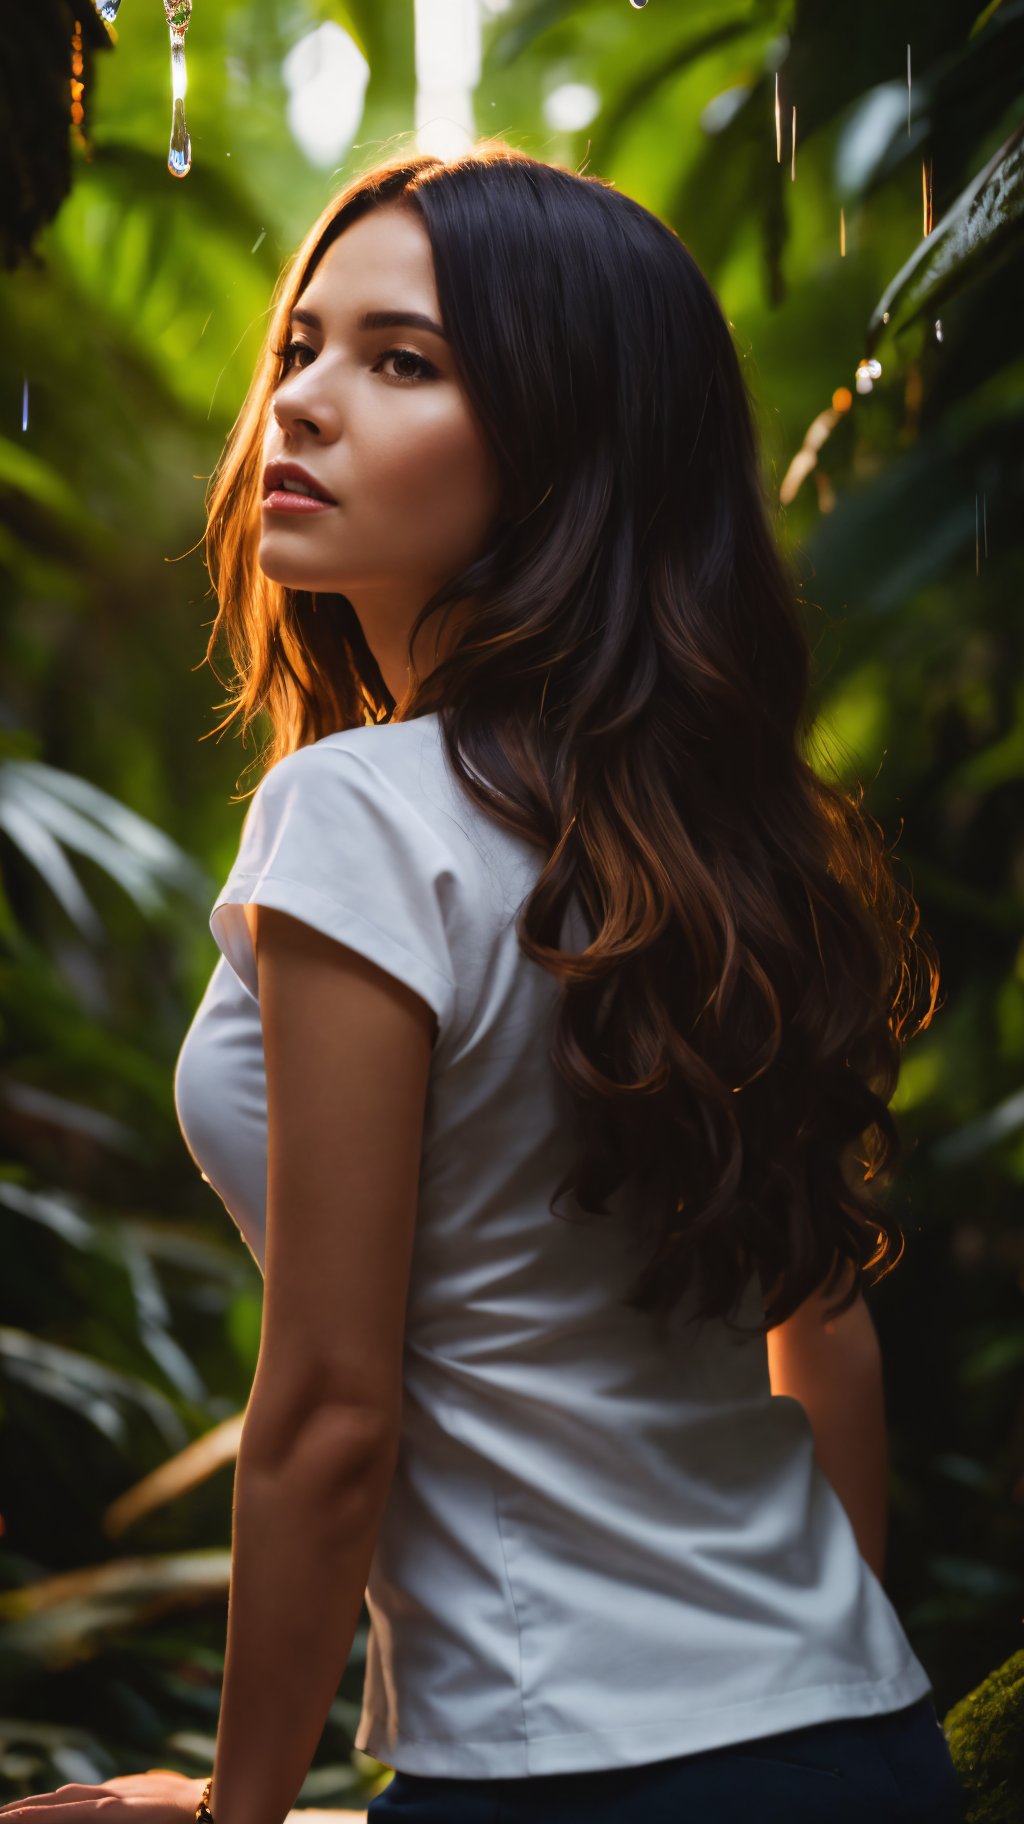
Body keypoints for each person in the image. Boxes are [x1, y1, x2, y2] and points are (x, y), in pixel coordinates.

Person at [3, 144, 966, 1824]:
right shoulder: (726, 851)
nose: (301, 401)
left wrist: (233, 1814)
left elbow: (324, 1414)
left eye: (404, 363)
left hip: (557, 1767)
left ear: (565, 454)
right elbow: (834, 1345)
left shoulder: (360, 812)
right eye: (303, 343)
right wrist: (812, 1690)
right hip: (850, 1736)